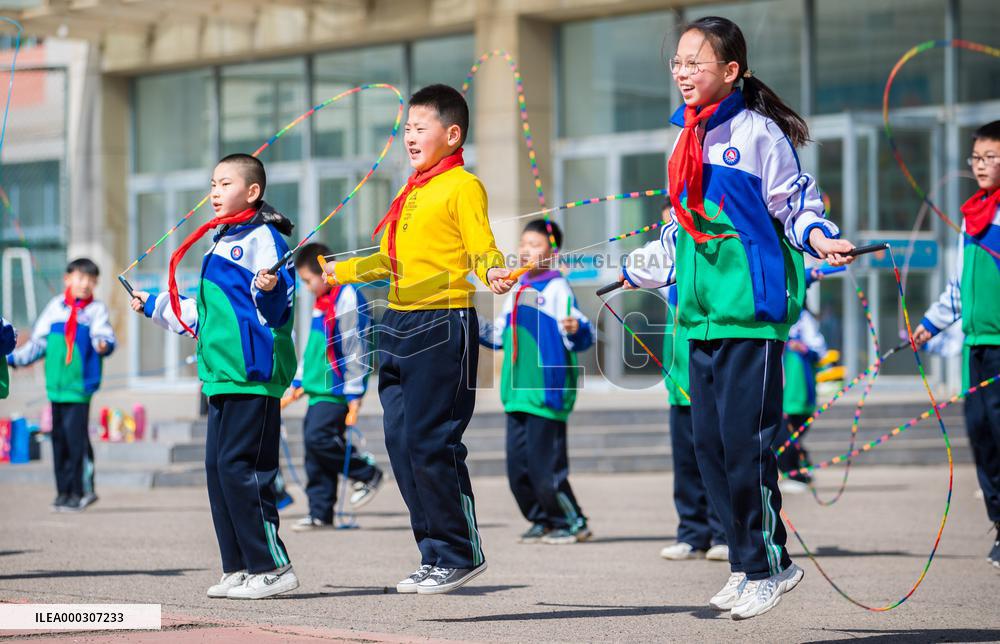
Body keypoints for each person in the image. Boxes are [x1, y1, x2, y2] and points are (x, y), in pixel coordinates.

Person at [623, 16, 854, 619]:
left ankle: (769, 563)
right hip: (698, 317)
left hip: (749, 314)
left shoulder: (757, 134)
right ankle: (745, 563)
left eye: (695, 63)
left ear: (730, 72)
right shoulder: (684, 139)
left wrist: (820, 238)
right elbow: (681, 229)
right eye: (677, 62)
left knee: (744, 446)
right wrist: (643, 268)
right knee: (707, 448)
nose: (682, 73)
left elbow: (794, 203)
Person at [324, 84, 513, 594]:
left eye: (420, 127)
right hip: (400, 324)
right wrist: (336, 271)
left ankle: (460, 552)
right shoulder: (413, 190)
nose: (409, 136)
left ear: (452, 135)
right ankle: (432, 554)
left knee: (432, 441)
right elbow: (390, 261)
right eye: (406, 127)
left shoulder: (461, 187)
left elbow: (482, 246)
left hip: (442, 322)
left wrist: (493, 271)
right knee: (401, 442)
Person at [130, 153, 299, 599]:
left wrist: (272, 288)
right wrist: (153, 304)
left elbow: (280, 309)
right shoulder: (220, 242)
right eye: (212, 184)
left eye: (225, 184)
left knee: (242, 468)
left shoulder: (265, 239)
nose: (214, 192)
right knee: (216, 468)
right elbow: (205, 313)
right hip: (219, 374)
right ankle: (239, 566)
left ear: (252, 192)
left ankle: (272, 566)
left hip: (253, 373)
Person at [914, 120, 1000, 569]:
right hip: (977, 345)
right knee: (982, 436)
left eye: (990, 158)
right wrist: (932, 322)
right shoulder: (976, 215)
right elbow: (960, 286)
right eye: (976, 158)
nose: (980, 166)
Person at [621, 206, 728, 562]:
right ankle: (691, 531)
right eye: (671, 207)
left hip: (709, 379)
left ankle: (723, 532)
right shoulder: (670, 251)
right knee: (686, 461)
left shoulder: (707, 253)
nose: (674, 213)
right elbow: (648, 263)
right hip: (679, 381)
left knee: (716, 456)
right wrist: (633, 273)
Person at [479, 219, 594, 545]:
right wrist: (469, 322)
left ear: (552, 251)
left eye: (536, 244)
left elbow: (583, 332)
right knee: (518, 471)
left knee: (547, 470)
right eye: (524, 243)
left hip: (547, 393)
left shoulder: (558, 287)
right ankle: (541, 519)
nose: (527, 249)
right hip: (515, 393)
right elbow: (500, 337)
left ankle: (573, 522)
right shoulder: (516, 288)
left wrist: (576, 329)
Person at [9, 258, 116, 512]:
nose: (85, 284)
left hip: (79, 389)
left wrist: (103, 344)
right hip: (55, 388)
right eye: (80, 278)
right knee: (58, 440)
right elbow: (38, 344)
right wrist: (13, 359)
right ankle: (63, 492)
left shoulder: (95, 311)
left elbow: (105, 337)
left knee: (75, 440)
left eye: (91, 280)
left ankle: (80, 491)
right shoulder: (55, 308)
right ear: (67, 279)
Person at [290, 241, 383, 531]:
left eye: (307, 280)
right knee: (313, 448)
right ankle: (320, 511)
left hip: (337, 389)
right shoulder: (322, 302)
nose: (306, 287)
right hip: (317, 388)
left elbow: (356, 347)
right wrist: (299, 380)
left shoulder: (347, 297)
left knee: (320, 440)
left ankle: (366, 472)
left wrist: (355, 392)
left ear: (323, 272)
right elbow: (313, 347)